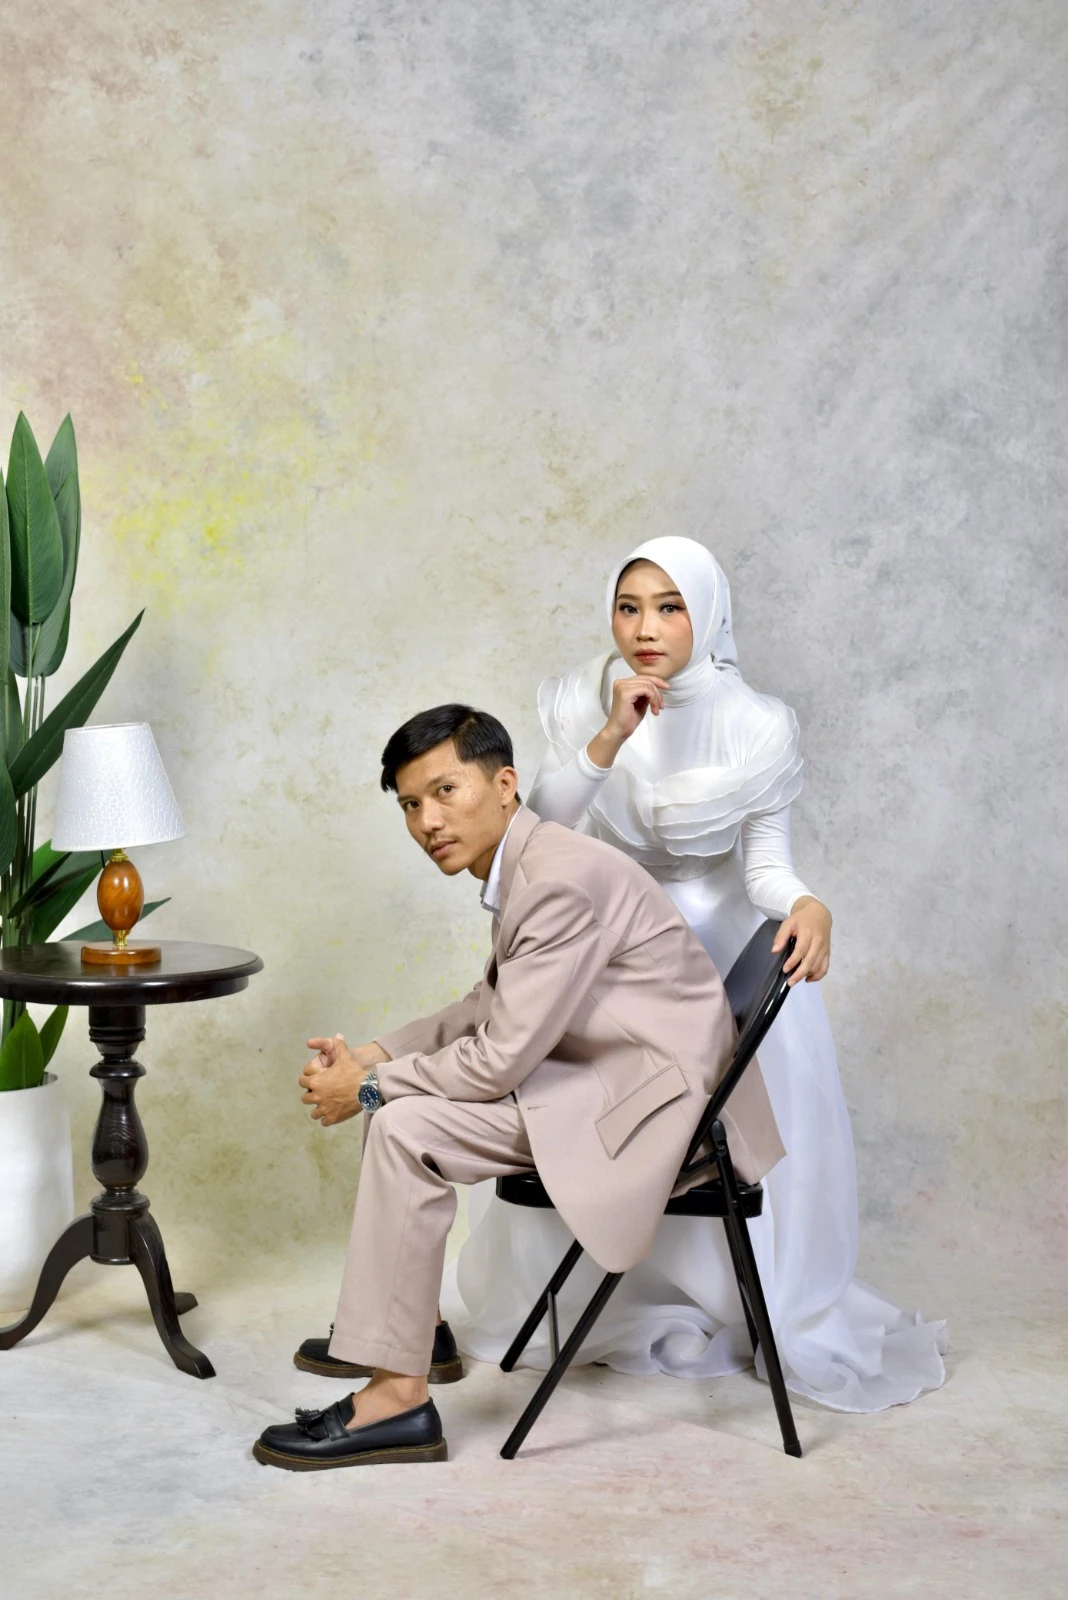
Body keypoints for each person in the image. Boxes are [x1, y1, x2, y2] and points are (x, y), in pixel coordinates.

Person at [443, 538, 946, 1412]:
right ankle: (595, 1294)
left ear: (707, 615)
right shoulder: (583, 697)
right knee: (573, 1098)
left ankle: (739, 1300)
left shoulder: (757, 723)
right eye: (629, 607)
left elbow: (765, 870)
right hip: (605, 947)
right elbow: (533, 838)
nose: (646, 628)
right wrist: (609, 735)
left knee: (717, 1115)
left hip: (715, 947)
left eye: (670, 608)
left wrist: (810, 903)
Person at [253, 703, 784, 1470]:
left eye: (445, 791)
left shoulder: (557, 880)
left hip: (648, 1118)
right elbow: (489, 1003)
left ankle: (396, 1401)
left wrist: (366, 1089)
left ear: (504, 784)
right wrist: (372, 1056)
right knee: (398, 1105)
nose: (428, 821)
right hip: (614, 1083)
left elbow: (497, 1061)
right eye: (410, 804)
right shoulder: (533, 860)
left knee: (401, 1123)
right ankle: (413, 1333)